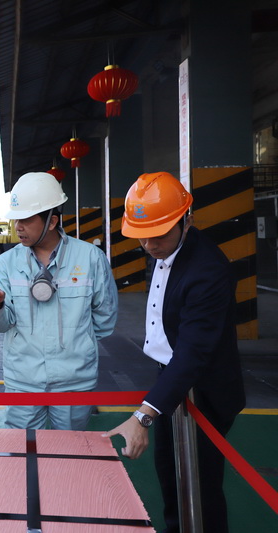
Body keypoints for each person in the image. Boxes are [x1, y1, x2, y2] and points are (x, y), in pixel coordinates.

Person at [103, 172, 245, 533]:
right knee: (171, 475)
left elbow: (193, 354)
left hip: (203, 389)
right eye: (142, 235)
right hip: (170, 377)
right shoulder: (164, 248)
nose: (149, 245)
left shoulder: (208, 271)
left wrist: (143, 416)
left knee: (201, 488)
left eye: (159, 234)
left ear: (187, 220)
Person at [0, 172, 117, 430]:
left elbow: (105, 317)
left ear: (52, 221)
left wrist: (78, 344)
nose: (18, 226)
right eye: (16, 219)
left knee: (69, 449)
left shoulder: (90, 258)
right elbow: (0, 325)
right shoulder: (6, 263)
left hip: (74, 381)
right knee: (25, 448)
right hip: (23, 380)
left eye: (26, 219)